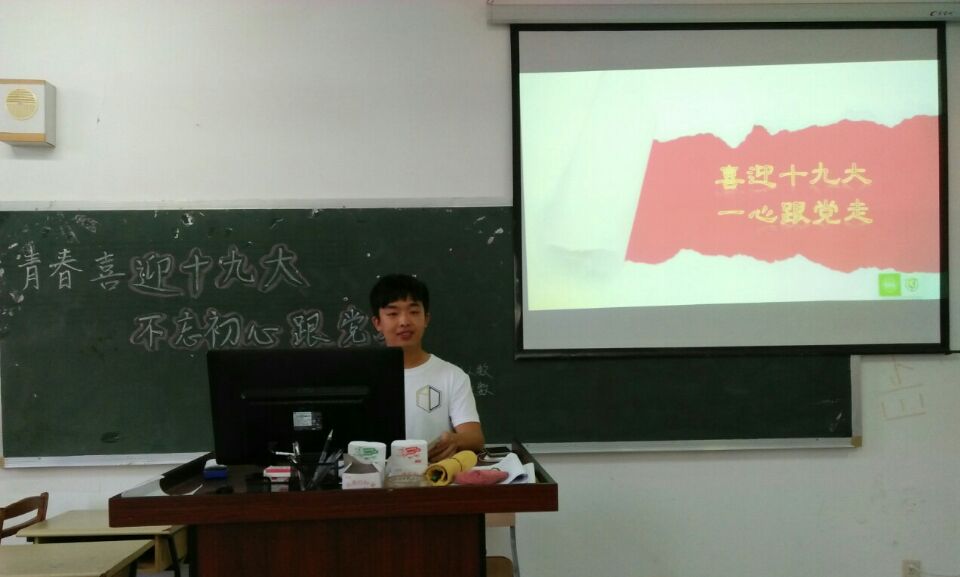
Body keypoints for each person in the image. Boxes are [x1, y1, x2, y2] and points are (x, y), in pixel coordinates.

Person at [369, 273, 485, 462]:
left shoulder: (452, 376)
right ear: (377, 323)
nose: (404, 321)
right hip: (373, 476)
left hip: (432, 476)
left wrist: (455, 440)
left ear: (426, 319)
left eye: (414, 312)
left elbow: (475, 438)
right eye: (393, 314)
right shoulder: (361, 376)